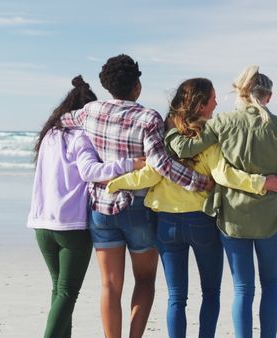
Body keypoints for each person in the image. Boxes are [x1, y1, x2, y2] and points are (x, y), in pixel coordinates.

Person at [106, 78, 277, 338]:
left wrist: (114, 184)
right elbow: (224, 175)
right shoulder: (209, 138)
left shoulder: (167, 136)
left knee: (176, 297)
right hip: (202, 223)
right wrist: (260, 183)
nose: (216, 102)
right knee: (211, 293)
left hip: (167, 225)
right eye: (212, 98)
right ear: (200, 105)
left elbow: (150, 175)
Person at [59, 55, 211, 338]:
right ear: (137, 86)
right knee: (144, 279)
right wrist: (199, 182)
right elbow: (161, 165)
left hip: (101, 208)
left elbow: (63, 120)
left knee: (110, 285)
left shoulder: (90, 111)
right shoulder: (148, 117)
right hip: (138, 208)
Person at [168, 66, 277, 338]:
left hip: (232, 218)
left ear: (242, 94)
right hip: (269, 219)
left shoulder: (222, 122)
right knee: (272, 284)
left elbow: (183, 148)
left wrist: (169, 131)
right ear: (269, 97)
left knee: (243, 288)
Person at [27, 75, 144, 338]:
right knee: (67, 293)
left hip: (41, 225)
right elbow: (91, 171)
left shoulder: (49, 135)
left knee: (58, 290)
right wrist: (131, 164)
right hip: (71, 227)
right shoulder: (81, 136)